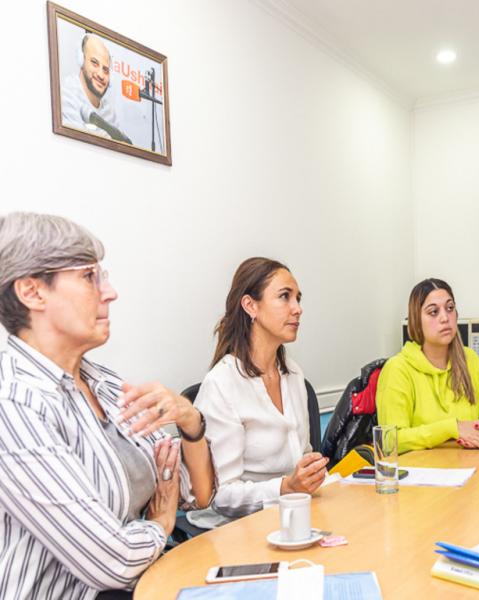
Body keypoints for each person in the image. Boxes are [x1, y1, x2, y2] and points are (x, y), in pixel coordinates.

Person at [0, 212, 215, 599]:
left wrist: (189, 418)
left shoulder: (107, 384)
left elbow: (192, 492)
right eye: (89, 277)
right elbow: (112, 561)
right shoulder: (14, 403)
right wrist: (162, 523)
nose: (110, 291)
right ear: (32, 292)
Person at [194, 258, 328, 517]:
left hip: (293, 515)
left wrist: (311, 473)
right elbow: (220, 496)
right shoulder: (222, 384)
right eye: (285, 297)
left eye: (298, 298)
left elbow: (302, 456)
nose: (297, 309)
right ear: (250, 306)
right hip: (239, 529)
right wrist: (285, 487)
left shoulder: (293, 373)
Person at [377, 278, 479, 454]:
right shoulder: (397, 369)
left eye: (450, 308)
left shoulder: (469, 359)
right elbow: (390, 440)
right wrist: (452, 428)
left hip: (472, 466)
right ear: (416, 321)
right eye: (433, 312)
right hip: (423, 475)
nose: (445, 318)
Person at [61, 33, 131, 143]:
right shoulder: (66, 93)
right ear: (81, 60)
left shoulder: (109, 112)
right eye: (94, 63)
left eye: (105, 69)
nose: (101, 75)